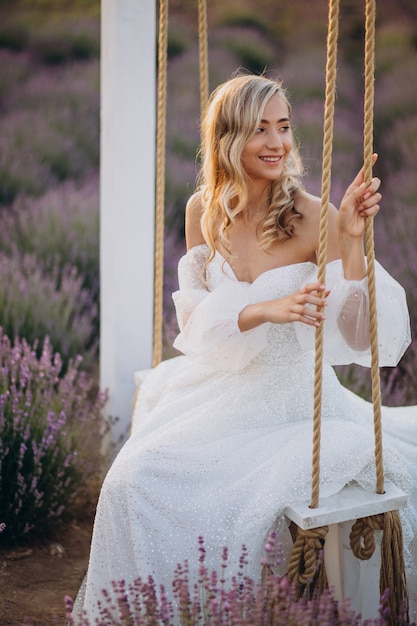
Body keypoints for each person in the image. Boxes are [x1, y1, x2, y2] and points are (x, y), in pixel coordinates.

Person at [74, 74, 417, 623]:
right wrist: (264, 309)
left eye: (284, 127)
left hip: (294, 407)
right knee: (130, 482)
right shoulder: (202, 212)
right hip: (219, 391)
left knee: (234, 502)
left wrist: (351, 242)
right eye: (261, 130)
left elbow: (360, 337)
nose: (278, 142)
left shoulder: (313, 217)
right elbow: (197, 325)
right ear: (228, 139)